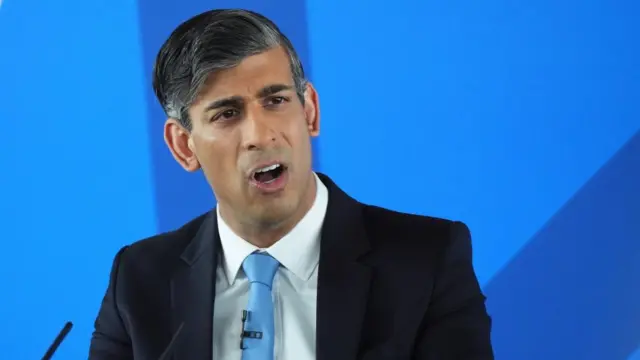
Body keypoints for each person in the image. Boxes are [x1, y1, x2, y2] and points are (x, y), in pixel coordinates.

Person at [89, 8, 494, 360]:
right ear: (184, 146)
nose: (260, 135)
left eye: (276, 101)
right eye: (227, 114)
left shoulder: (425, 261)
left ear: (310, 112)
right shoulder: (139, 281)